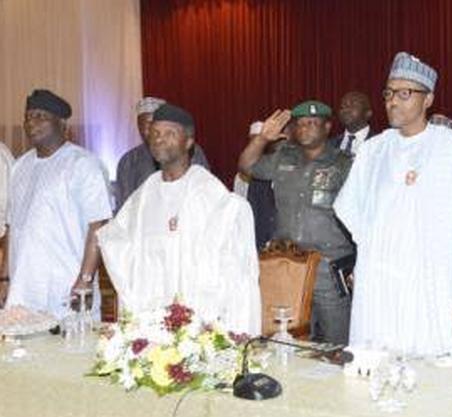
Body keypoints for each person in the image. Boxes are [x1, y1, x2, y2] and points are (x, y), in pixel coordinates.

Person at [333, 52, 452, 357]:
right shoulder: (373, 151)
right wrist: (370, 257)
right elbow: (354, 214)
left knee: (432, 388)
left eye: (404, 93)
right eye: (388, 93)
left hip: (435, 291)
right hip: (381, 288)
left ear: (428, 99)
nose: (392, 101)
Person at [98, 104, 260, 334]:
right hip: (153, 315)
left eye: (169, 133)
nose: (159, 139)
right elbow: (117, 238)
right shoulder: (147, 191)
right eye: (155, 133)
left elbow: (230, 266)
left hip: (196, 320)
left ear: (188, 142)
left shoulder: (207, 191)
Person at [239, 100, 354, 344]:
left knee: (336, 344)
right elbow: (247, 166)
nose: (306, 128)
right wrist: (262, 139)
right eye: (301, 123)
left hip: (329, 267)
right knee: (287, 342)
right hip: (289, 266)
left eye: (313, 123)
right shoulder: (283, 156)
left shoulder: (345, 164)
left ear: (327, 127)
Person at [3, 89, 112, 318]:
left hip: (67, 290)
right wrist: (5, 278)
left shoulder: (83, 164)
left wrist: (85, 281)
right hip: (23, 289)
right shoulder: (20, 166)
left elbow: (99, 225)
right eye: (28, 116)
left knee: (69, 352)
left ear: (62, 124)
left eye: (41, 116)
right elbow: (12, 227)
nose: (31, 122)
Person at [115, 97, 211, 209]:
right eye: (141, 124)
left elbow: (203, 196)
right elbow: (125, 207)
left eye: (151, 125)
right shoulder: (129, 161)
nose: (146, 130)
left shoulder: (190, 151)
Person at [329, 91, 374, 156]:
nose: (346, 110)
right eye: (343, 106)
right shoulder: (329, 145)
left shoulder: (380, 144)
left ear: (368, 113)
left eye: (353, 105)